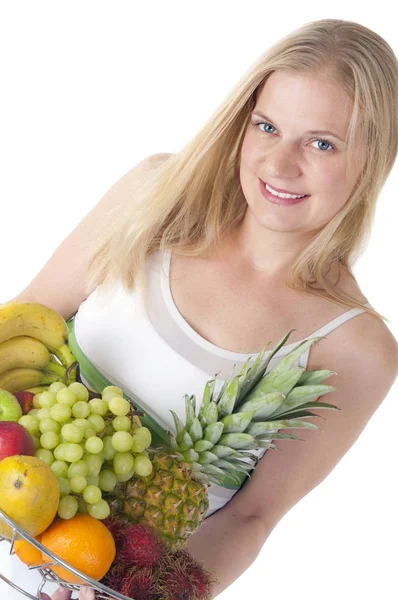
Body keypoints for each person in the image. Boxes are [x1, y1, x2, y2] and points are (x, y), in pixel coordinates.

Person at [3, 17, 398, 600]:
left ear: (375, 157)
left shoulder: (357, 349)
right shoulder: (154, 195)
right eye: (267, 126)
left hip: (96, 582)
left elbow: (250, 518)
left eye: (321, 143)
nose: (279, 165)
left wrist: (152, 594)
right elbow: (29, 315)